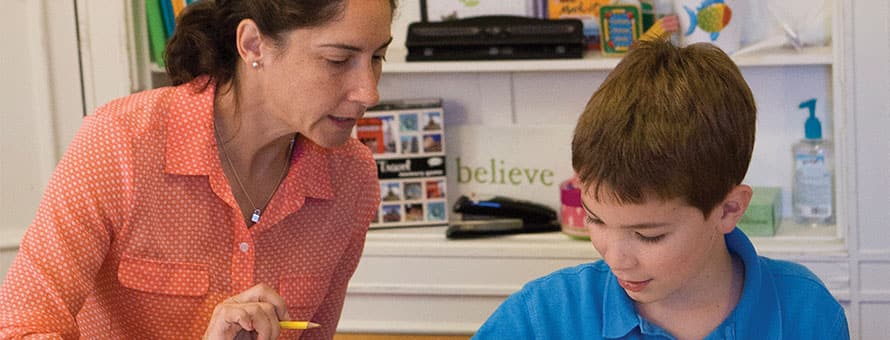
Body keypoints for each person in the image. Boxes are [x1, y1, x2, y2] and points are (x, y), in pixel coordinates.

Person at [0, 0, 396, 339]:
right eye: (338, 60)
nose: (369, 91)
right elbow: (20, 328)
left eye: (377, 57)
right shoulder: (121, 144)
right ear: (253, 45)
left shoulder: (352, 179)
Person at [473, 40, 849, 339]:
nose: (616, 259)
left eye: (648, 235)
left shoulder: (807, 312)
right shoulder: (544, 317)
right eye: (595, 218)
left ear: (729, 210)